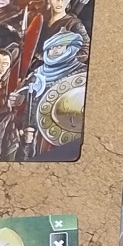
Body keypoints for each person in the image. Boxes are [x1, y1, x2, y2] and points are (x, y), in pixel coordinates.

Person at [13, 31, 87, 160]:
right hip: (32, 131)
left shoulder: (82, 72)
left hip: (65, 132)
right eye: (51, 47)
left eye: (59, 46)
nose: (54, 51)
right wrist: (16, 101)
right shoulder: (36, 74)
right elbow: (22, 100)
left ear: (71, 48)